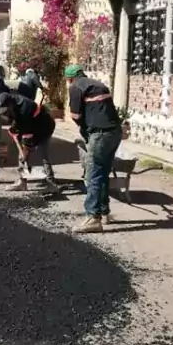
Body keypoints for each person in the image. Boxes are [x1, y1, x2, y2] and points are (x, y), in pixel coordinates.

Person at [66, 64, 122, 233]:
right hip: (115, 133)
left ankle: (92, 217)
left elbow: (75, 115)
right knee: (103, 172)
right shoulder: (99, 84)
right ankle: (104, 212)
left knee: (93, 174)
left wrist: (85, 130)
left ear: (70, 79)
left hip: (100, 134)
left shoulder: (76, 86)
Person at [0, 91, 59, 192]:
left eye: (7, 109)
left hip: (44, 127)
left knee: (42, 154)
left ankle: (51, 183)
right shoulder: (12, 104)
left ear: (10, 104)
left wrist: (25, 149)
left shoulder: (25, 107)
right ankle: (22, 182)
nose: (6, 112)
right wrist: (13, 128)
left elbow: (27, 135)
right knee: (22, 157)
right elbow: (16, 120)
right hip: (30, 125)